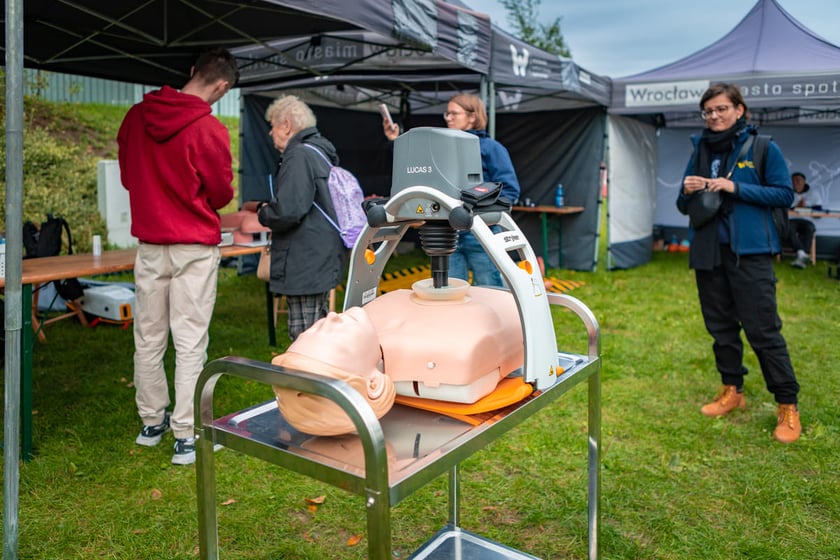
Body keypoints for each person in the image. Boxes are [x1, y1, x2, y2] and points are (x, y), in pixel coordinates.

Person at [117, 47, 239, 465]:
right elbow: (221, 194)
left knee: (148, 337)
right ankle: (186, 435)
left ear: (191, 71)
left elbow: (128, 177)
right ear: (221, 86)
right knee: (189, 341)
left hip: (150, 244)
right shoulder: (209, 129)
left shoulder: (136, 117)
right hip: (193, 245)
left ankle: (152, 423)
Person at [676, 82, 802, 444]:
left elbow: (785, 194)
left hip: (751, 253)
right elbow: (683, 206)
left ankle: (787, 404)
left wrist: (736, 188)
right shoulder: (700, 148)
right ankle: (732, 390)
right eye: (708, 111)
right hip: (708, 252)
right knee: (721, 329)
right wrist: (686, 191)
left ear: (739, 109)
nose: (714, 116)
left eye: (721, 109)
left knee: (763, 330)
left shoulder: (763, 146)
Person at [383, 94, 520, 286]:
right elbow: (414, 170)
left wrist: (478, 212)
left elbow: (510, 191)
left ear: (472, 116)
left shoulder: (492, 148)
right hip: (446, 231)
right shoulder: (441, 149)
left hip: (480, 232)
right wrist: (396, 141)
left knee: (489, 287)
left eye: (454, 113)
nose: (448, 118)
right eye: (447, 113)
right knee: (450, 289)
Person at [253, 95, 348, 341]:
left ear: (286, 125)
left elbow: (289, 210)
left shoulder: (298, 155)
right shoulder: (319, 152)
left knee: (304, 338)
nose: (270, 133)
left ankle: (311, 368)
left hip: (305, 259)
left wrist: (264, 211)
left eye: (272, 126)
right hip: (321, 255)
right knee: (318, 332)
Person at [788, 171, 822, 269]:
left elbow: (818, 214)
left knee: (809, 229)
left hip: (806, 220)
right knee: (788, 228)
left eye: (798, 180)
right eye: (793, 181)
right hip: (792, 220)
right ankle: (802, 255)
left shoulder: (813, 193)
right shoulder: (787, 193)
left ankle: (801, 256)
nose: (796, 183)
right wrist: (796, 207)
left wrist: (806, 208)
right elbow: (782, 209)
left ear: (804, 182)